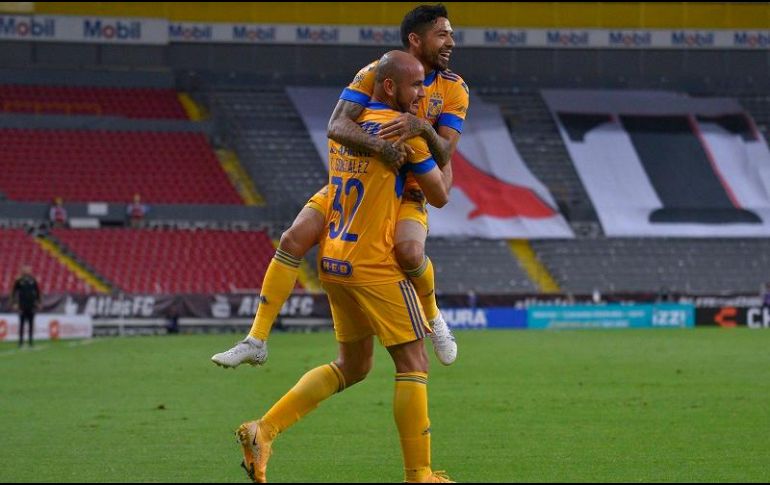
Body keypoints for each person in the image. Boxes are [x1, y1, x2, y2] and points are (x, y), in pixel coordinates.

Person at [236, 50, 453, 484]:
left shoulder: (347, 130)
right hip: (374, 265)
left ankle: (265, 430)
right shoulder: (403, 133)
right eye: (414, 87)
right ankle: (420, 475)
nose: (421, 96)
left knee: (353, 366)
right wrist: (427, 135)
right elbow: (440, 193)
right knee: (414, 363)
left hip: (334, 259)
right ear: (389, 86)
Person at [212, 4, 468, 369]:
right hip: (357, 180)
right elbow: (336, 126)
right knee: (292, 239)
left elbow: (445, 153)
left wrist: (421, 127)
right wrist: (381, 148)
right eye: (442, 34)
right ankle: (256, 339)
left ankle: (435, 320)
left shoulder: (454, 88)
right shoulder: (374, 74)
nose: (451, 43)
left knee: (410, 254)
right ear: (416, 39)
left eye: (451, 35)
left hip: (406, 190)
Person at [11, 265, 41, 347]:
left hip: (31, 305)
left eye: (29, 269)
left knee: (31, 325)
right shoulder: (19, 280)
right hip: (22, 306)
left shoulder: (33, 280)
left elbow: (37, 292)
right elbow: (14, 292)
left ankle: (30, 342)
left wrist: (38, 302)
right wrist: (15, 303)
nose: (28, 271)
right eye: (26, 269)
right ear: (22, 270)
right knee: (21, 325)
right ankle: (20, 342)